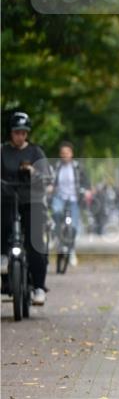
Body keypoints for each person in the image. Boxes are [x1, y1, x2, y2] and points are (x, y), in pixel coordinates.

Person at [1, 112, 51, 305]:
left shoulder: (36, 152)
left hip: (32, 200)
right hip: (7, 199)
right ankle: (3, 257)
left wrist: (34, 172)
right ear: (10, 133)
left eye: (23, 132)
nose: (20, 136)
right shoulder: (2, 151)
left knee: (35, 242)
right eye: (16, 132)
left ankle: (39, 286)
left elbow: (46, 175)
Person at [50, 141, 89, 266]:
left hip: (74, 199)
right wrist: (50, 187)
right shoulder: (56, 167)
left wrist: (87, 191)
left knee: (74, 227)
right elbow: (51, 181)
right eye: (62, 153)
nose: (64, 155)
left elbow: (86, 182)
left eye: (66, 153)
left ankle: (71, 250)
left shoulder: (78, 167)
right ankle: (59, 238)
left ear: (71, 154)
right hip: (59, 197)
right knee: (55, 213)